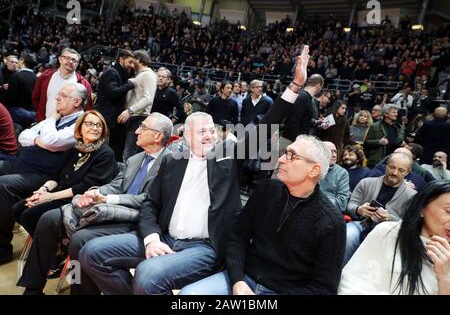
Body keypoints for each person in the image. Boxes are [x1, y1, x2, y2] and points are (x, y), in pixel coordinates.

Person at [78, 46, 312, 295]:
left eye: (212, 131)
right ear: (186, 137)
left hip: (203, 247)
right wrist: (152, 239)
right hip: (165, 238)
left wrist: (295, 87)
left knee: (147, 276)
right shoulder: (172, 161)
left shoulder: (228, 157)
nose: (210, 136)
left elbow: (265, 128)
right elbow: (149, 205)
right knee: (90, 253)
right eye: (202, 132)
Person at [16, 112, 173, 295]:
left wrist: (106, 199)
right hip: (111, 210)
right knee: (48, 220)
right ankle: (33, 288)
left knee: (78, 240)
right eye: (88, 124)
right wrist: (95, 193)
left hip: (139, 218)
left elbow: (149, 199)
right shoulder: (135, 159)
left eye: (143, 127)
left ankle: (79, 290)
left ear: (158, 136)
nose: (137, 131)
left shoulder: (169, 162)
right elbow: (115, 186)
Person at [179, 135, 345, 295]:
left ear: (314, 170)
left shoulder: (332, 222)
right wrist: (237, 280)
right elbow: (238, 236)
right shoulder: (266, 190)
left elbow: (324, 288)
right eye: (284, 153)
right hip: (243, 278)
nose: (280, 159)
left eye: (291, 156)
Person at [0, 83, 86, 265]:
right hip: (24, 165)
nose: (56, 98)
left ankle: (2, 249)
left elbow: (52, 140)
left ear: (76, 101)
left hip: (46, 176)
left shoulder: (81, 123)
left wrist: (48, 124)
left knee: (3, 185)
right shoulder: (57, 119)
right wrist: (41, 139)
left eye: (62, 95)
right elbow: (24, 136)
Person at [12, 110, 116, 236]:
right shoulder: (74, 149)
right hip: (60, 194)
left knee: (30, 215)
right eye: (89, 124)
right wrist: (42, 191)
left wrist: (49, 197)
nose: (95, 128)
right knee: (17, 209)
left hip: (78, 200)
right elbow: (56, 175)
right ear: (80, 127)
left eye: (99, 125)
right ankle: (49, 243)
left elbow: (86, 186)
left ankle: (55, 247)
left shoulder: (105, 153)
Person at [339, 180, 450, 295]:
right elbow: (353, 282)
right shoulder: (388, 233)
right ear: (422, 208)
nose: (395, 172)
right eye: (449, 211)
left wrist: (445, 277)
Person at [344, 152, 417, 264]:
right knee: (348, 235)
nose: (394, 172)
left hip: (389, 233)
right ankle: (341, 273)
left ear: (408, 172)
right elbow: (351, 204)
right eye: (392, 167)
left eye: (401, 170)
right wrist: (359, 209)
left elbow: (409, 224)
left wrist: (389, 218)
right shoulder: (366, 182)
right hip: (361, 224)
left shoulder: (411, 196)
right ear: (386, 166)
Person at [94, 49, 136, 161]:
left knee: (116, 146)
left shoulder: (120, 73)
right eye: (130, 62)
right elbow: (113, 93)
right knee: (105, 147)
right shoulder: (111, 72)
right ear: (121, 59)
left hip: (113, 117)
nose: (132, 65)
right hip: (107, 117)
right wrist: (129, 84)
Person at [32, 48, 92, 122]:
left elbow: (87, 108)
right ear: (60, 59)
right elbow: (35, 98)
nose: (70, 61)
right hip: (44, 122)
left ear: (77, 64)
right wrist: (39, 116)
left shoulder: (84, 84)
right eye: (67, 58)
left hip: (68, 128)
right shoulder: (45, 77)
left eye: (74, 60)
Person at [117, 50, 157, 161]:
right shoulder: (140, 75)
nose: (130, 63)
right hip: (133, 117)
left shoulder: (148, 75)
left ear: (138, 60)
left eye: (132, 60)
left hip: (139, 117)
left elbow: (148, 99)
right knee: (126, 154)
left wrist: (129, 110)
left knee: (129, 155)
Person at [3, 53, 37, 129]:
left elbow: (10, 98)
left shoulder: (15, 76)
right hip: (33, 114)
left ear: (22, 61)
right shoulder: (37, 78)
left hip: (18, 113)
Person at [364, 103, 405, 168]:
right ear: (386, 114)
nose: (396, 114)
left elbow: (401, 140)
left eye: (396, 112)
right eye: (393, 112)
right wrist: (379, 142)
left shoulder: (399, 127)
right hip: (378, 162)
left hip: (394, 162)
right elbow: (366, 143)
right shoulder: (375, 126)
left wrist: (402, 143)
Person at [320, 142, 350, 213]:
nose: (334, 155)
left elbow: (342, 203)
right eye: (330, 152)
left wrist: (316, 200)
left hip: (329, 213)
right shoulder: (309, 168)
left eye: (335, 152)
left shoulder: (342, 173)